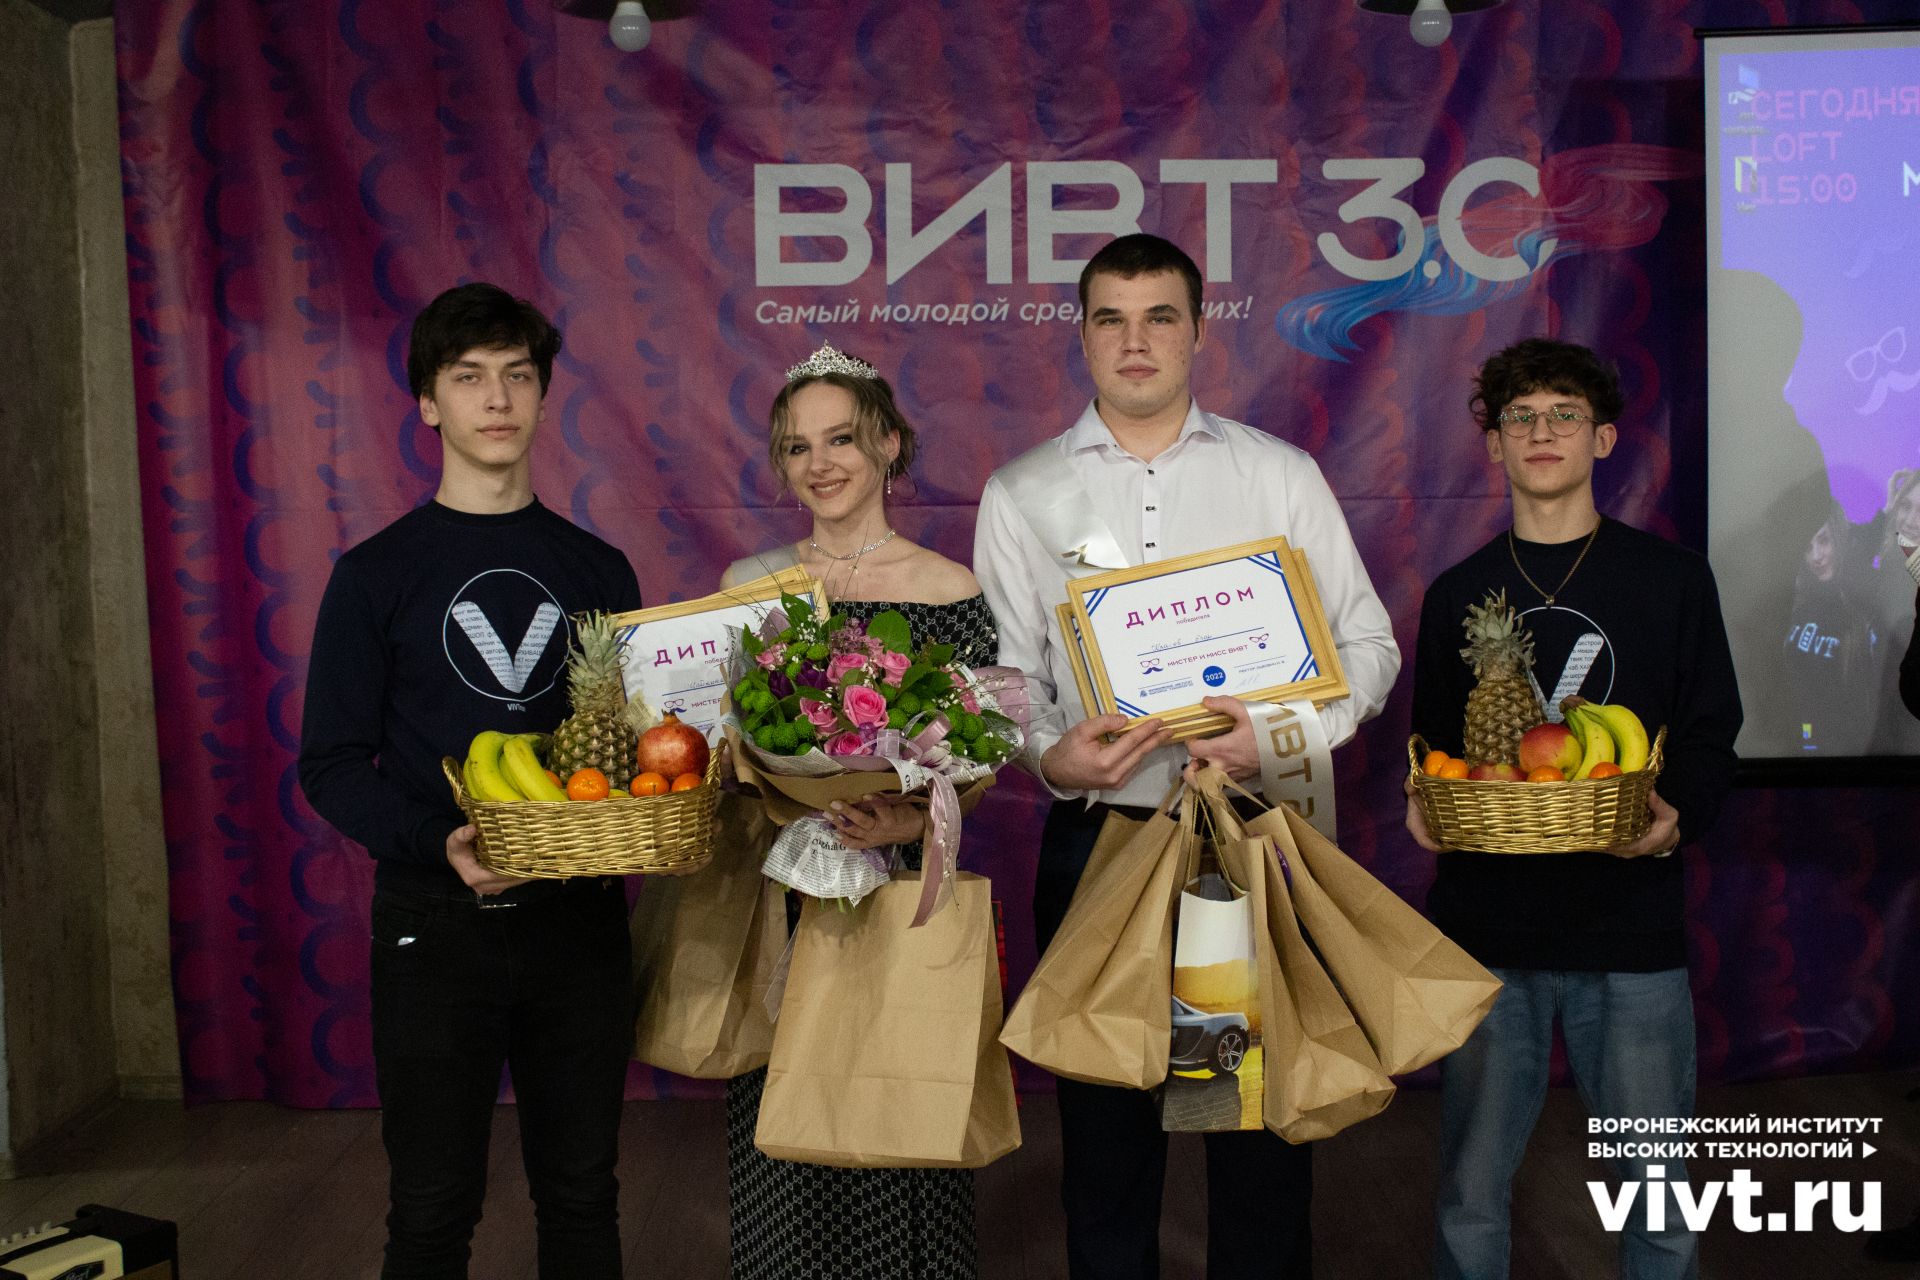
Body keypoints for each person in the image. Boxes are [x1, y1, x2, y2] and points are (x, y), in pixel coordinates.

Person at [974, 233, 1401, 1279]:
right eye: (1111, 319)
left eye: (1159, 316)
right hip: (1104, 846)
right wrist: (1051, 758)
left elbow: (1369, 646)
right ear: (1082, 337)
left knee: (1250, 1131)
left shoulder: (1277, 474)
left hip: (1245, 846)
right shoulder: (1022, 492)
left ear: (1200, 332)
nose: (1136, 340)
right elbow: (1004, 681)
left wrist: (1282, 735)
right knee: (1108, 1139)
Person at [298, 283, 641, 1278]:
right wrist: (436, 841)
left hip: (579, 923)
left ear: (542, 395)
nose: (498, 398)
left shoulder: (600, 570)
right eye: (469, 377)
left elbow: (626, 750)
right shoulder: (374, 575)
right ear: (428, 402)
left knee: (582, 1194)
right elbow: (329, 764)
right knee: (431, 1207)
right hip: (433, 928)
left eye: (518, 376)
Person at [1405, 337, 1743, 1280]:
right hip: (1488, 933)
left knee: (1659, 1198)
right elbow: (1435, 749)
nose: (1541, 431)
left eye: (1564, 415)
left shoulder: (1673, 580)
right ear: (1494, 445)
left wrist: (1676, 817)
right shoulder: (1457, 594)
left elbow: (1712, 732)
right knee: (1469, 1194)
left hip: (1630, 932)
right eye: (1520, 417)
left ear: (1603, 439)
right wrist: (1423, 802)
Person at [719, 343, 994, 1279]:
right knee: (782, 1115)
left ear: (888, 444)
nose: (821, 463)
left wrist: (909, 822)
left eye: (841, 438)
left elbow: (980, 749)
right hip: (782, 885)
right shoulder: (749, 584)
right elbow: (721, 741)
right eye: (798, 447)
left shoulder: (948, 589)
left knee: (899, 1104)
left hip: (902, 883)